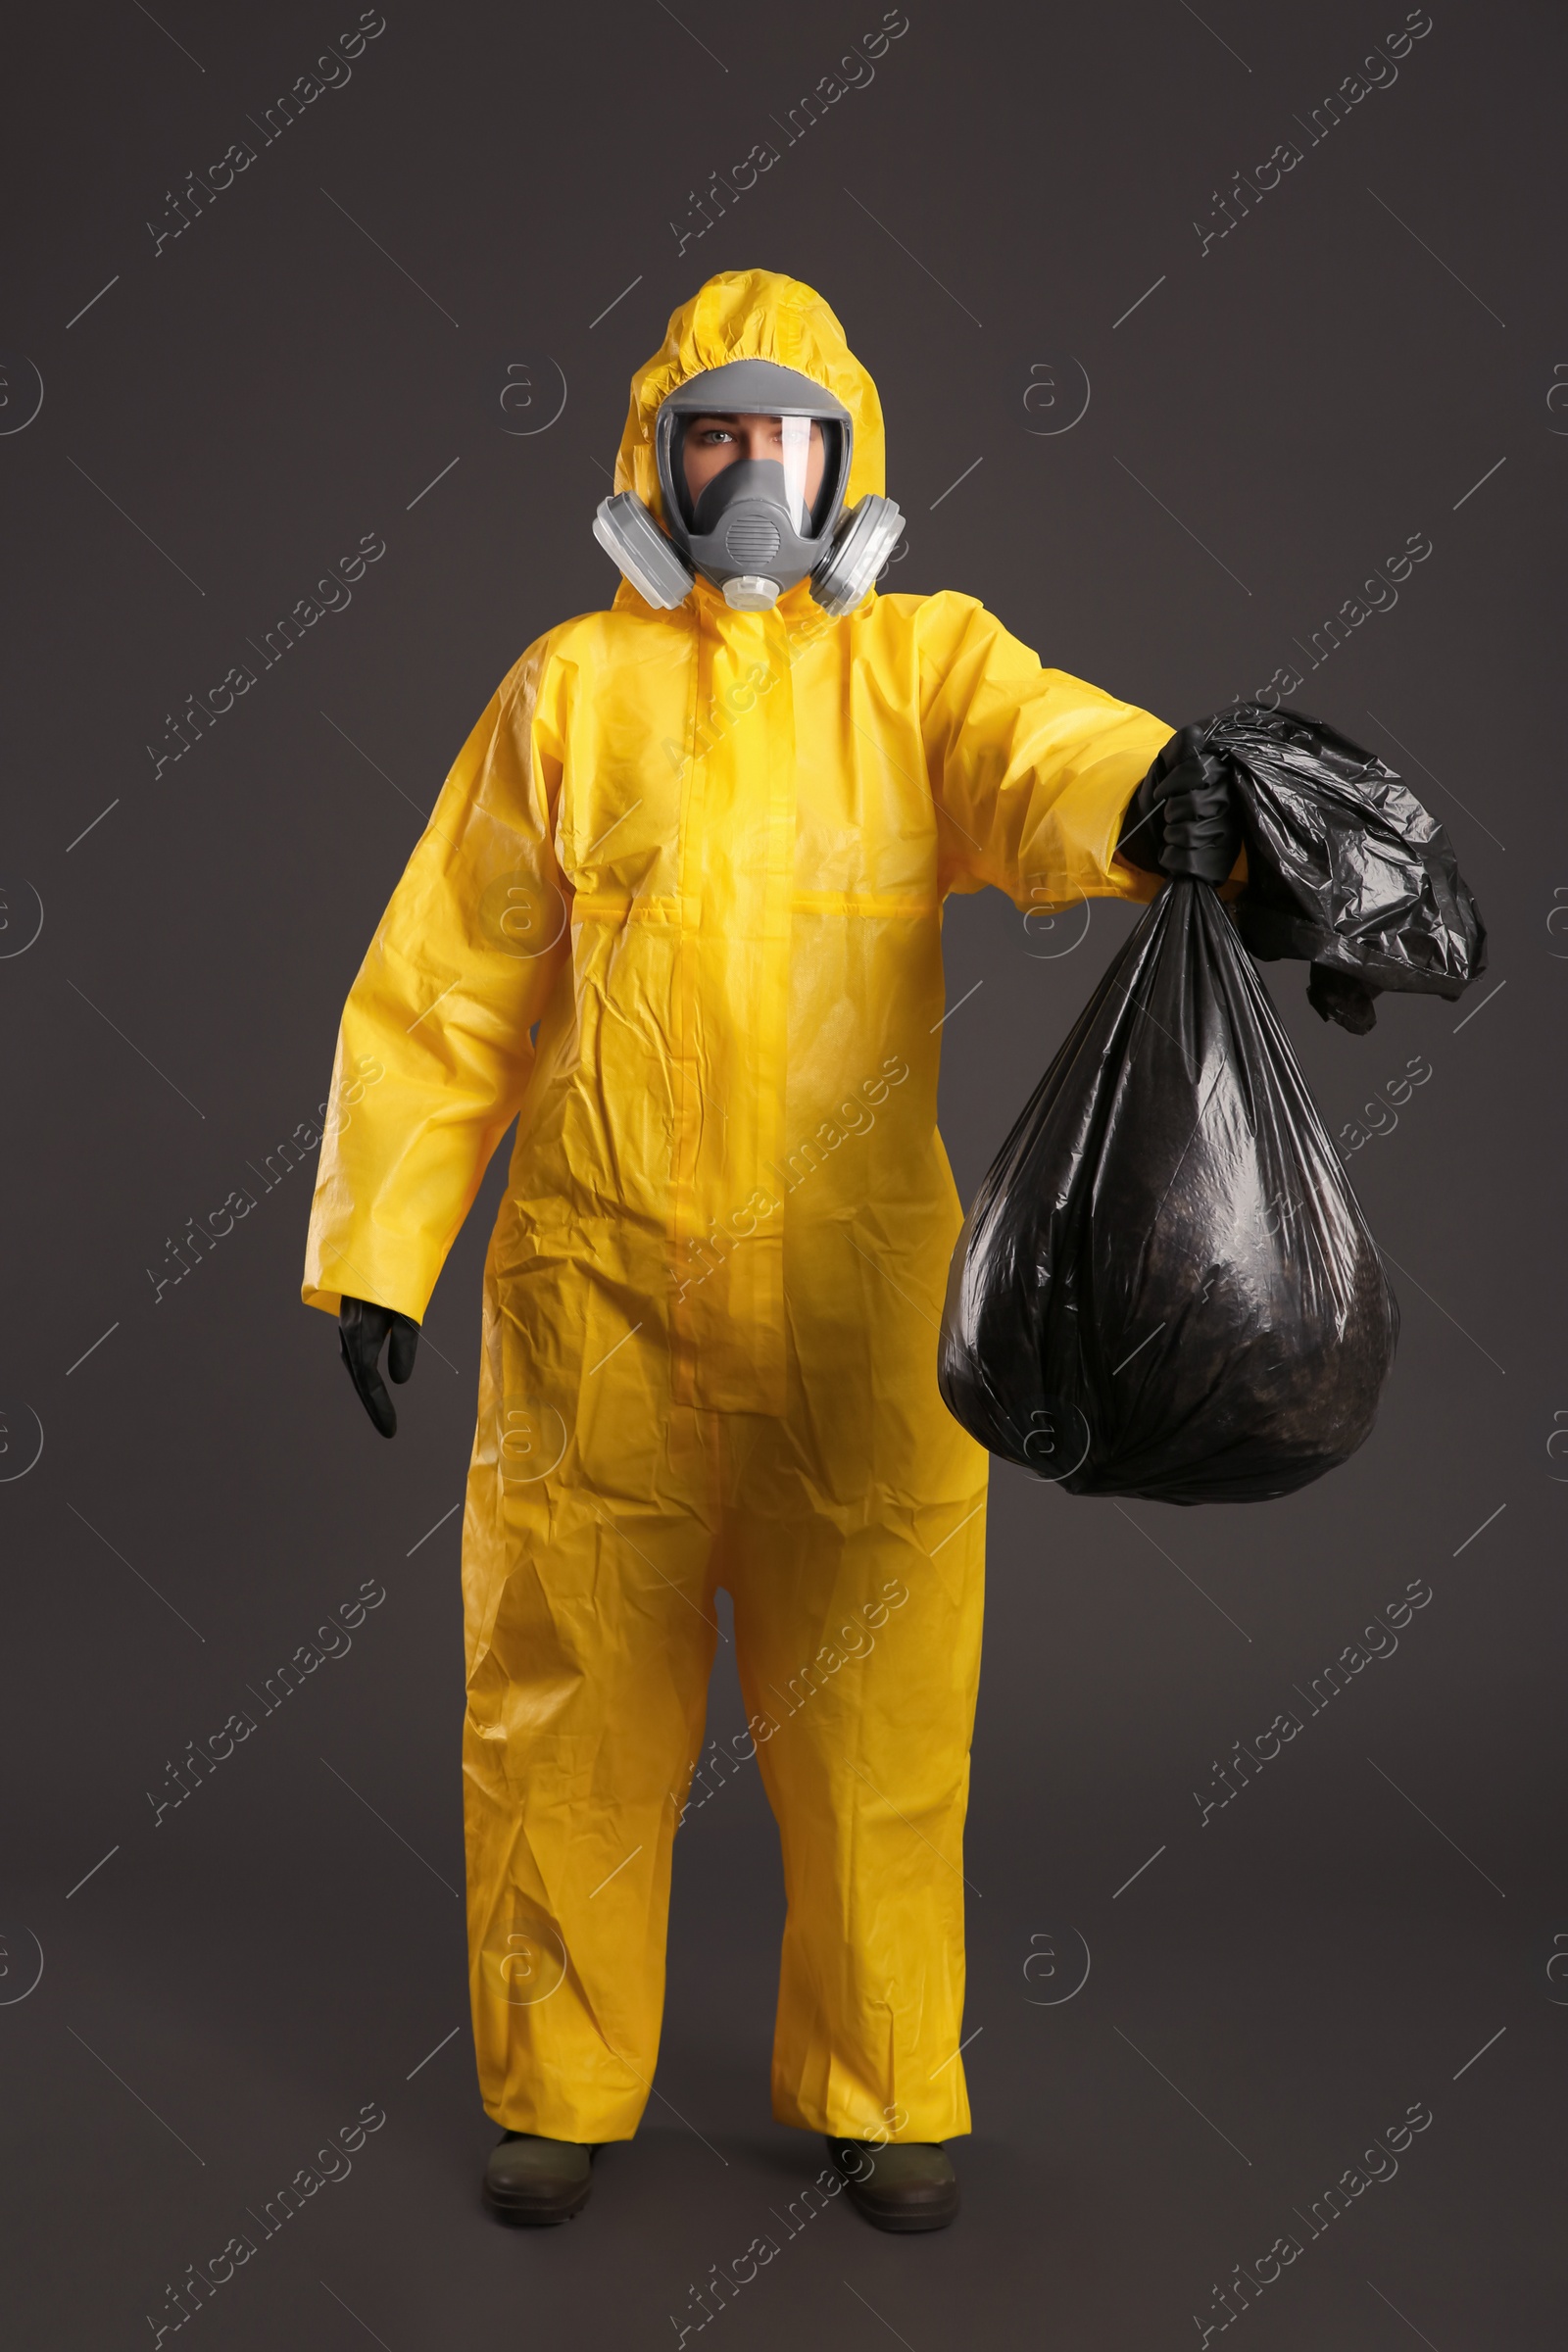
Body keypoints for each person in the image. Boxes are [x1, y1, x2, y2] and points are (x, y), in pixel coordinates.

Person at [303, 269, 1231, 2231]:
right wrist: (377, 1247)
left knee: (879, 1717)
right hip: (595, 1304)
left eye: (779, 440)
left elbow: (1040, 756)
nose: (744, 477)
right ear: (652, 457)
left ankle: (884, 2083)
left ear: (847, 466)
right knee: (563, 1706)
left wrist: (1156, 793)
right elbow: (445, 986)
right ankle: (557, 2083)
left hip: (853, 1309)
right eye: (707, 439)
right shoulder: (569, 692)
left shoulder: (914, 670)